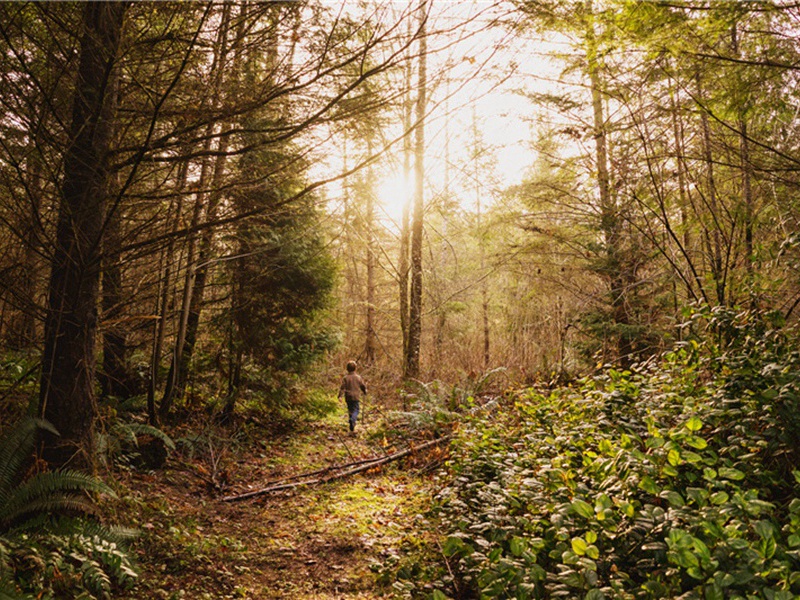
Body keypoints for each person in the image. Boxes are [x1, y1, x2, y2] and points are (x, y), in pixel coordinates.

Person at [338, 360, 366, 435]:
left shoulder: (345, 378)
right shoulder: (358, 377)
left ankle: (352, 427)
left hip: (348, 396)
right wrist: (364, 391)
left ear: (347, 369)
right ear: (355, 368)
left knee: (350, 410)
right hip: (356, 396)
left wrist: (340, 396)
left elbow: (342, 388)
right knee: (356, 410)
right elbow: (362, 386)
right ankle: (352, 420)